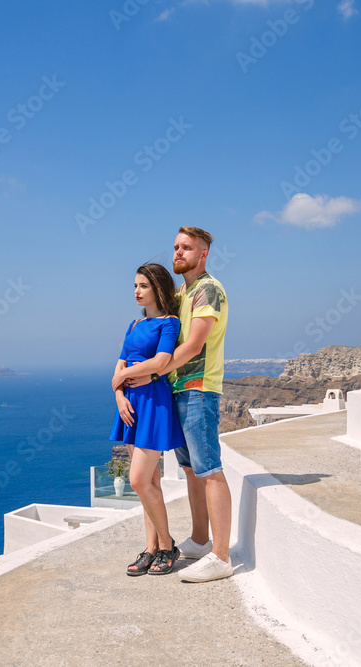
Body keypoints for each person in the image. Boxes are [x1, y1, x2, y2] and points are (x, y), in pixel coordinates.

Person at [127, 227, 233, 582]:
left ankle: (221, 556)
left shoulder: (208, 290)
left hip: (199, 387)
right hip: (178, 389)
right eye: (175, 246)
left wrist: (153, 373)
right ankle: (202, 540)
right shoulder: (181, 292)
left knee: (209, 470)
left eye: (186, 248)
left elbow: (193, 346)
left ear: (202, 254)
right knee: (190, 470)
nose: (178, 252)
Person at [109, 263, 187, 576]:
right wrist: (119, 395)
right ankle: (151, 548)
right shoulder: (132, 325)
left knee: (138, 480)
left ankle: (168, 545)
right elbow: (119, 365)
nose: (137, 291)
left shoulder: (169, 323)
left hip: (154, 402)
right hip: (130, 405)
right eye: (135, 285)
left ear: (157, 288)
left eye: (143, 285)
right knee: (149, 484)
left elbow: (162, 361)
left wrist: (125, 375)